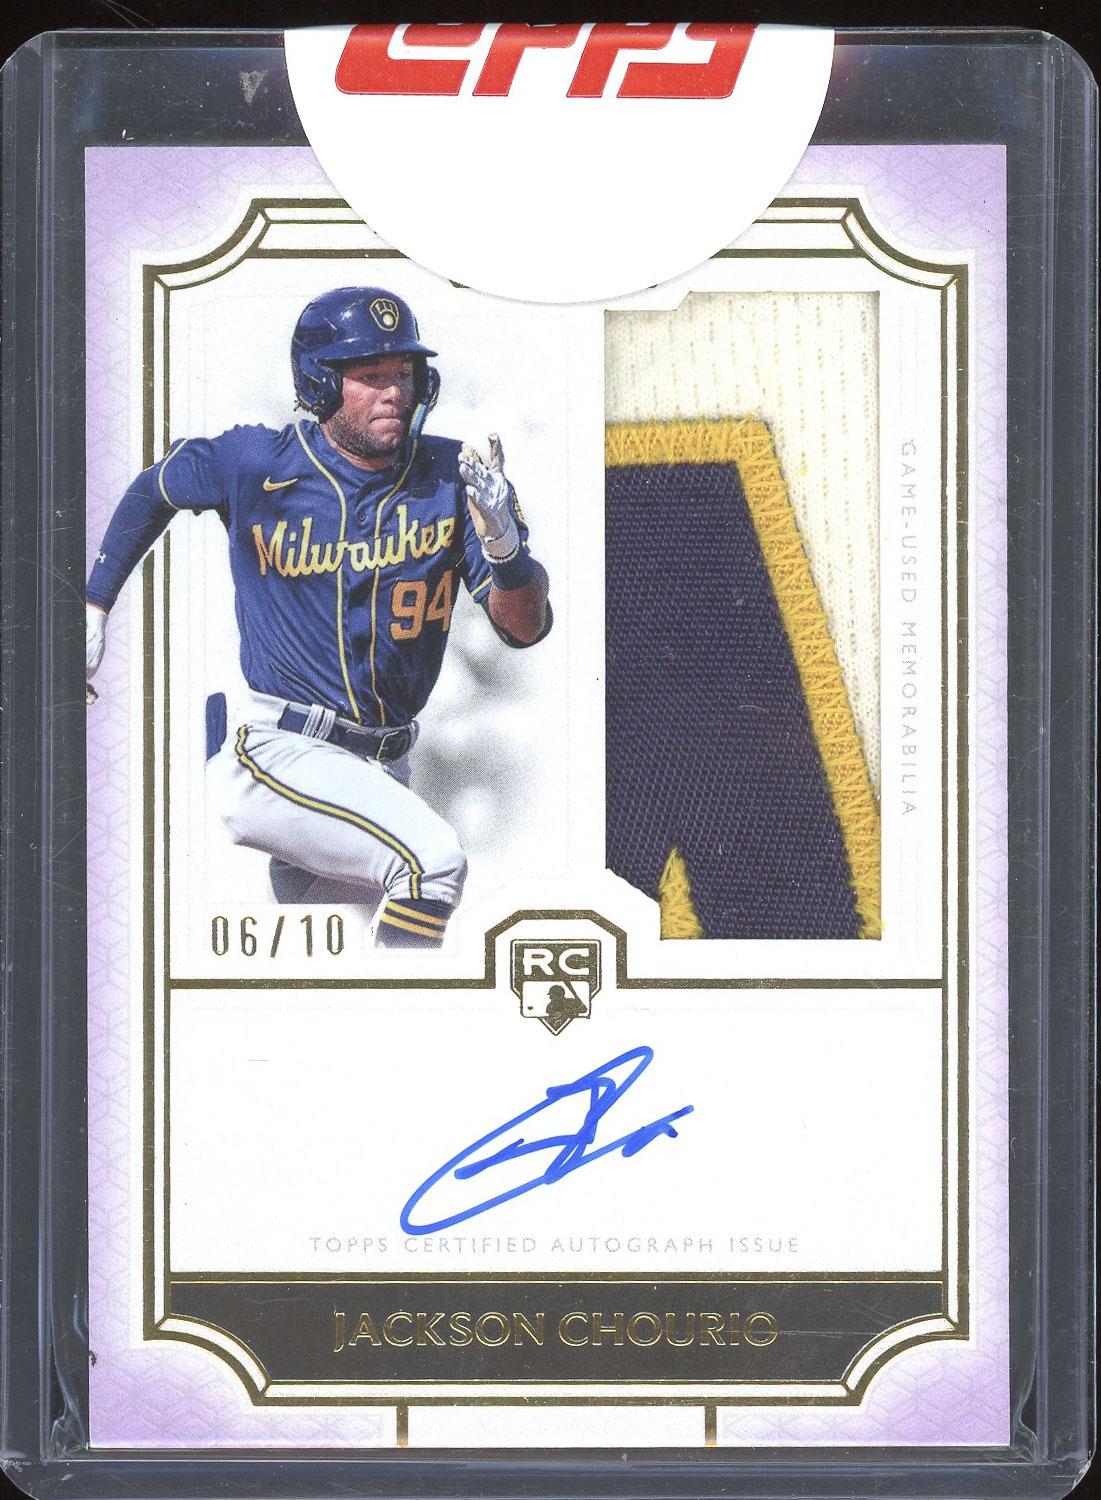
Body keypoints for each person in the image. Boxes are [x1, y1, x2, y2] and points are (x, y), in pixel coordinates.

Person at [85, 286, 551, 948]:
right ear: (320, 382)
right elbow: (153, 488)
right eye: (370, 374)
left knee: (352, 957)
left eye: (403, 372)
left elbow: (524, 627)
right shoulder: (256, 462)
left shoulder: (453, 477)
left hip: (381, 768)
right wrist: (94, 600)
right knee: (431, 864)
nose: (394, 391)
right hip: (277, 749)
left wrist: (505, 549)